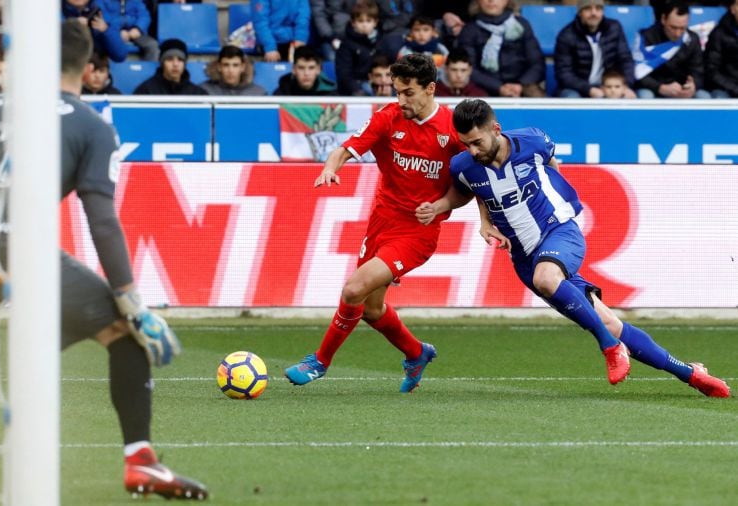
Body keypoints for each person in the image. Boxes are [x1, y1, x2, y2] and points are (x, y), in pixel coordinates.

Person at [0, 20, 210, 498]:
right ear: (87, 68)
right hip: (19, 255)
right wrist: (131, 303)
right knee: (126, 334)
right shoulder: (91, 126)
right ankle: (141, 462)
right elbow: (102, 221)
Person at [415, 98, 730, 398]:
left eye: (477, 142)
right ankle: (691, 374)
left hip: (559, 231)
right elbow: (469, 191)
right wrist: (474, 218)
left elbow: (551, 163)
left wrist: (557, 196)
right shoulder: (464, 165)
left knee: (547, 279)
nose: (472, 150)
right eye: (466, 144)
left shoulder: (532, 141)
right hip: (524, 259)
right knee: (609, 322)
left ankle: (610, 347)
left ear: (495, 129)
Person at [284, 54, 467, 393]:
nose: (401, 100)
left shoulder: (453, 129)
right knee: (371, 308)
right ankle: (416, 353)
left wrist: (442, 205)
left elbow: (472, 185)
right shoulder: (387, 118)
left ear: (430, 89)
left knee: (353, 290)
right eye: (397, 92)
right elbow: (345, 149)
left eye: (408, 93)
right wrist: (331, 168)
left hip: (418, 232)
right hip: (382, 222)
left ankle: (320, 361)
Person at [457, 0, 545, 97]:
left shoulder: (522, 25)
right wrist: (498, 87)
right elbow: (468, 68)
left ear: (506, 1)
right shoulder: (469, 30)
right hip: (483, 87)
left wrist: (521, 85)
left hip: (522, 86)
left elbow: (537, 64)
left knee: (537, 97)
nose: (491, 1)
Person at [554, 0, 635, 99]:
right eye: (588, 9)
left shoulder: (614, 28)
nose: (594, 13)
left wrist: (626, 86)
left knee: (633, 96)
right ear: (579, 12)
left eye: (598, 8)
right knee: (572, 97)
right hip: (577, 88)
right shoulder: (566, 35)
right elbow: (564, 73)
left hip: (609, 86)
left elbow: (625, 60)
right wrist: (588, 89)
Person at [633, 0, 710, 99]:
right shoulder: (645, 37)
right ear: (663, 19)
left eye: (682, 28)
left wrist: (693, 86)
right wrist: (660, 87)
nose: (678, 34)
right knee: (646, 96)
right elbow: (637, 72)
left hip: (681, 89)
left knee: (703, 96)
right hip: (653, 88)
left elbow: (698, 71)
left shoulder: (692, 39)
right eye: (673, 27)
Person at [335, 0, 383, 96]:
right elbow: (344, 74)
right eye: (360, 21)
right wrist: (357, 90)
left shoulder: (381, 42)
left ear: (375, 22)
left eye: (368, 21)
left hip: (377, 83)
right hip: (355, 89)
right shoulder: (346, 45)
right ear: (353, 23)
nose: (364, 25)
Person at [133, 38, 208, 95]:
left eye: (180, 60)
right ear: (162, 63)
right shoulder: (146, 91)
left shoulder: (197, 94)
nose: (175, 64)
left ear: (184, 64)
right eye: (170, 59)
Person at [62, 0, 128, 63]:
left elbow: (120, 55)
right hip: (68, 67)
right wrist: (70, 28)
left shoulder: (101, 11)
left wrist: (106, 30)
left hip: (96, 66)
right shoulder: (58, 13)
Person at [200, 45, 267, 96]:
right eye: (226, 65)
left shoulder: (258, 93)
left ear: (242, 67)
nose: (230, 70)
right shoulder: (204, 91)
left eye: (235, 65)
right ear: (219, 67)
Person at [704, 0, 738, 98]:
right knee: (719, 98)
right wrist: (735, 89)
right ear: (732, 9)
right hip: (725, 88)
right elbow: (711, 71)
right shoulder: (718, 34)